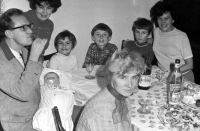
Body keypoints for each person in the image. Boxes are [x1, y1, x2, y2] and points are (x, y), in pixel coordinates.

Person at [0, 8, 47, 131]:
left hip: (35, 115)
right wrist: (34, 58)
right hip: (15, 123)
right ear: (9, 33)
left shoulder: (23, 50)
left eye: (29, 26)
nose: (30, 31)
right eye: (23, 28)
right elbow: (22, 93)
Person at [76, 51, 145, 131]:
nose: (129, 85)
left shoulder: (123, 97)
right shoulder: (103, 110)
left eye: (134, 77)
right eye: (123, 77)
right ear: (111, 77)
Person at [150, 1, 194, 82]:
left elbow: (190, 65)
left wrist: (171, 73)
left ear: (173, 19)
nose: (163, 22)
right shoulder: (156, 31)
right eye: (160, 18)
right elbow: (158, 42)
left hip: (182, 76)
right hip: (164, 75)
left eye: (166, 18)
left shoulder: (181, 37)